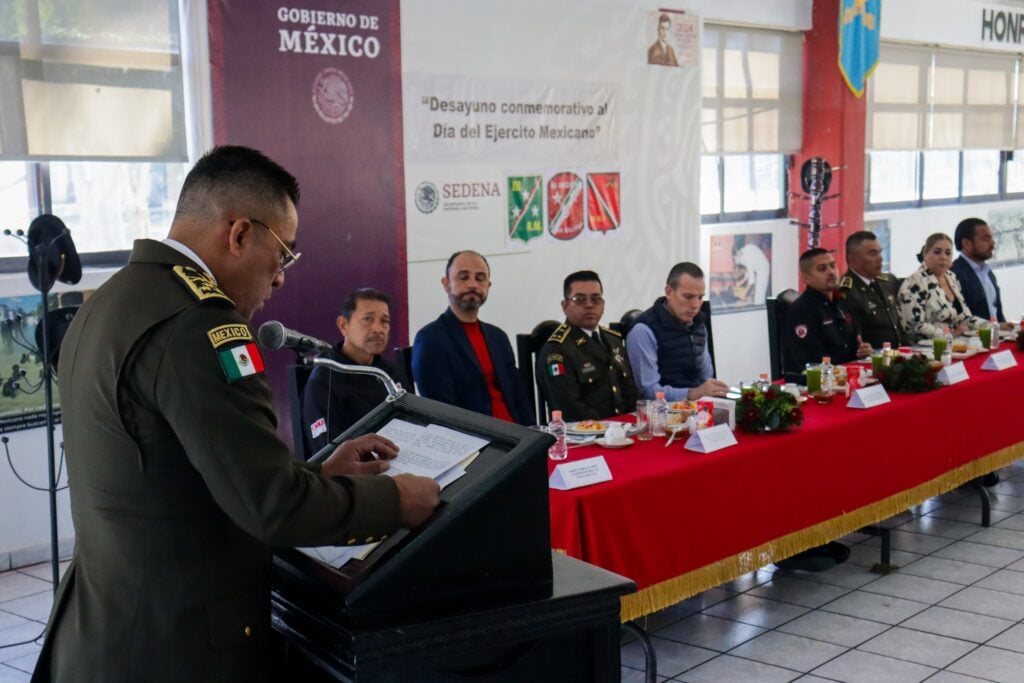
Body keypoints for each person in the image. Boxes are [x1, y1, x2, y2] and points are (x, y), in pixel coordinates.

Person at [32, 146, 441, 683]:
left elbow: (180, 472)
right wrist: (396, 499)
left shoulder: (109, 301)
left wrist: (319, 474)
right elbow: (270, 507)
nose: (280, 279)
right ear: (240, 233)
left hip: (104, 634)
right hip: (177, 648)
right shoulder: (199, 327)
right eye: (285, 255)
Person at [412, 250, 533, 425]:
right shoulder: (430, 339)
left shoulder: (498, 337)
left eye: (480, 278)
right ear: (446, 284)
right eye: (463, 277)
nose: (473, 284)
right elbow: (441, 412)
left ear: (488, 285)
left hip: (519, 439)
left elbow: (519, 398)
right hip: (476, 443)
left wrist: (536, 438)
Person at [302, 287, 410, 457]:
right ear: (343, 325)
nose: (378, 329)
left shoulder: (391, 373)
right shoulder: (325, 379)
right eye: (368, 319)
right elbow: (329, 453)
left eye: (385, 321)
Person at [537, 271, 638, 421]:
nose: (589, 305)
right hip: (585, 434)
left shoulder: (613, 339)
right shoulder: (557, 350)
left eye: (596, 299)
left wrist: (632, 421)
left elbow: (630, 391)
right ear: (565, 306)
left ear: (603, 305)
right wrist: (610, 428)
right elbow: (569, 409)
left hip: (623, 430)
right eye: (580, 299)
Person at [626, 262, 729, 401]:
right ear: (669, 292)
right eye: (688, 297)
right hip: (662, 413)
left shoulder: (698, 324)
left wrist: (716, 389)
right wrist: (693, 393)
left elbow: (706, 375)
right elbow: (648, 392)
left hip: (698, 408)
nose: (695, 305)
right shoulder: (643, 331)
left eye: (700, 297)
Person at [782, 248, 872, 378]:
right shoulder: (801, 311)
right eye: (822, 269)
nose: (831, 271)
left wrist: (863, 351)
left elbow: (855, 344)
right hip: (820, 383)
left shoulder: (842, 303)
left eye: (832, 266)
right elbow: (810, 361)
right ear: (806, 278)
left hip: (849, 376)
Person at [898, 232, 982, 342]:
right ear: (925, 253)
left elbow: (965, 318)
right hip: (928, 347)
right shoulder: (914, 283)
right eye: (937, 252)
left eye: (948, 253)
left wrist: (992, 326)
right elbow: (914, 326)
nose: (943, 257)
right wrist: (951, 335)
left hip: (958, 342)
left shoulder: (952, 277)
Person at [838, 230, 906, 348]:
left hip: (897, 355)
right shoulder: (846, 291)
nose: (880, 258)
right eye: (872, 253)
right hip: (872, 359)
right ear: (852, 259)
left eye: (880, 252)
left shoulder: (888, 281)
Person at [951, 217, 1007, 324]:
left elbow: (996, 312)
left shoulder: (987, 272)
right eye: (986, 239)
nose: (992, 244)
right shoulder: (954, 274)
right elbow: (960, 318)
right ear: (967, 244)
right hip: (972, 338)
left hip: (997, 335)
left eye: (991, 238)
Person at [733, 240, 771, 305]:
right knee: (757, 295)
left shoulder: (747, 256)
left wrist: (744, 292)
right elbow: (748, 273)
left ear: (738, 252)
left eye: (735, 258)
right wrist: (739, 283)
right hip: (757, 269)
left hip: (763, 268)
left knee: (759, 297)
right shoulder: (741, 256)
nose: (735, 261)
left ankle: (759, 308)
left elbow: (751, 280)